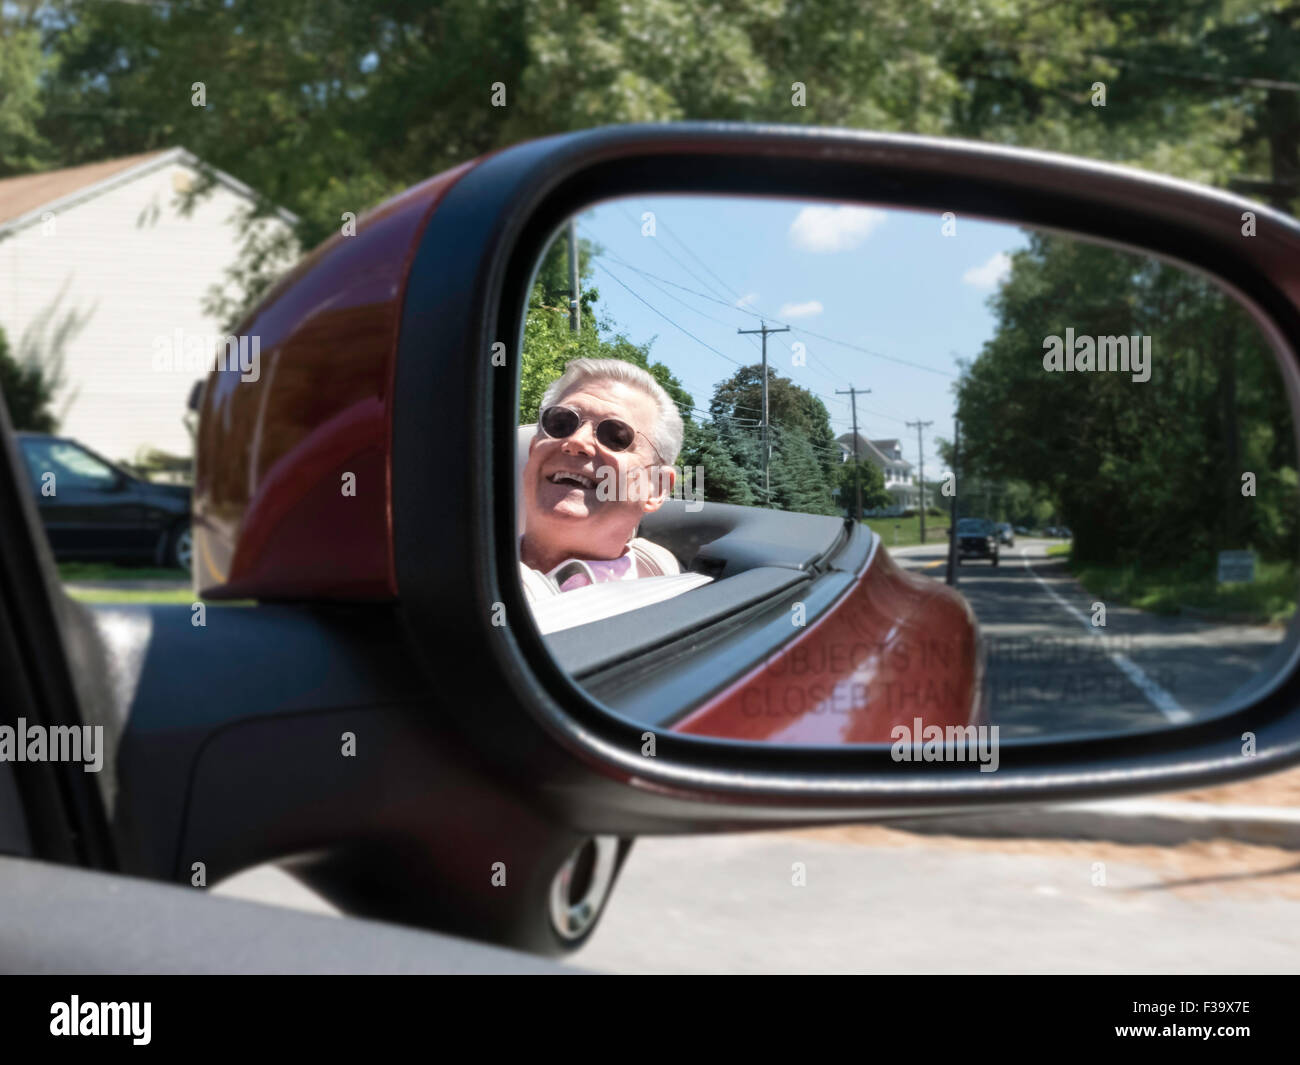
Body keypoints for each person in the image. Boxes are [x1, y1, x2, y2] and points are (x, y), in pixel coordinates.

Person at [519, 358, 682, 601]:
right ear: (533, 453)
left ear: (656, 488)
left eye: (615, 436)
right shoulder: (458, 567)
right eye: (560, 423)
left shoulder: (668, 590)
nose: (577, 442)